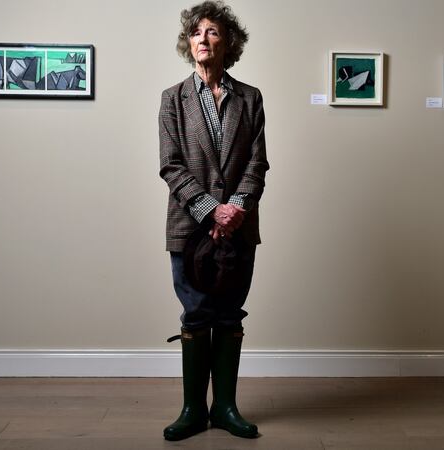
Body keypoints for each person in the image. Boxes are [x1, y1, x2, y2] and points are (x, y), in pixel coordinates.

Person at [157, 0, 269, 441]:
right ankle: (192, 410)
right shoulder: (173, 99)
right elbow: (171, 165)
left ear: (229, 42)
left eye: (213, 32)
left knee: (228, 315)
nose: (203, 39)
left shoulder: (251, 98)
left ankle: (225, 408)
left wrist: (236, 208)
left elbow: (257, 163)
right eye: (196, 33)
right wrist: (210, 210)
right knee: (196, 313)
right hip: (189, 228)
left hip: (240, 227)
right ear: (189, 43)